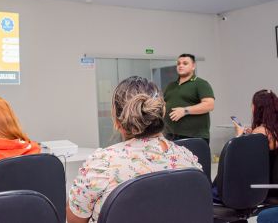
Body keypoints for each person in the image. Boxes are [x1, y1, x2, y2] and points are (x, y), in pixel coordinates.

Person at [66, 76, 202, 223]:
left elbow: (76, 219)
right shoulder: (188, 159)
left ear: (117, 122)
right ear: (161, 113)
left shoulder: (102, 164)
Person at [163, 53, 215, 144]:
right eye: (178, 64)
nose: (181, 66)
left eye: (185, 63)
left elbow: (209, 105)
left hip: (194, 136)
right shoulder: (171, 85)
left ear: (193, 66)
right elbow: (164, 104)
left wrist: (185, 111)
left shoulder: (200, 83)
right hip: (170, 135)